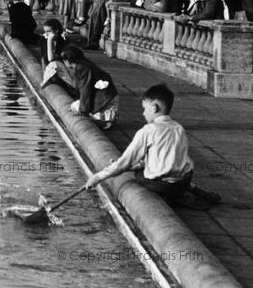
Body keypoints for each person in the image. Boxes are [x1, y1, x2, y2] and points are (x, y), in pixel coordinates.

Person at [85, 83, 221, 204]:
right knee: (153, 167)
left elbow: (123, 164)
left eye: (145, 108)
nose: (143, 113)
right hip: (183, 182)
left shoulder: (148, 131)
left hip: (164, 186)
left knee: (138, 175)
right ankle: (195, 191)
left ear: (154, 107)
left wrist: (97, 177)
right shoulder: (179, 129)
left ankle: (175, 199)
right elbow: (166, 159)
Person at [60, 45, 119, 129]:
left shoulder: (82, 68)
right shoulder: (84, 64)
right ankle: (105, 120)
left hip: (105, 98)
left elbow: (85, 89)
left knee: (74, 107)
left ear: (67, 61)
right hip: (108, 96)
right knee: (76, 106)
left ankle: (104, 121)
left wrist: (83, 110)